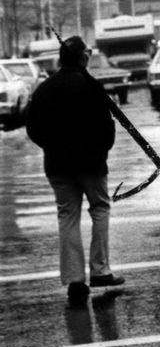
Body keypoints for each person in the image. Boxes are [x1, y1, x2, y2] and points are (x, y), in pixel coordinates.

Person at [25, 37, 126, 306]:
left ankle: (74, 281)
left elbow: (32, 128)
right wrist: (100, 151)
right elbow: (107, 128)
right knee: (100, 209)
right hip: (91, 163)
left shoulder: (45, 89)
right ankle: (100, 270)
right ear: (83, 58)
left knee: (67, 216)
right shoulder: (91, 86)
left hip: (58, 164)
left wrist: (50, 146)